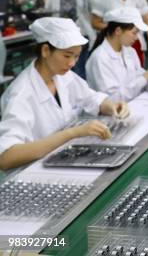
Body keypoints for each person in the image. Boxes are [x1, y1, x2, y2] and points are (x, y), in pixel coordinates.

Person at [0, 17, 129, 170]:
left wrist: (112, 106)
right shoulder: (20, 94)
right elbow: (6, 157)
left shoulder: (63, 76)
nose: (72, 63)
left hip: (62, 160)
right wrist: (73, 133)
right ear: (45, 51)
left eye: (76, 56)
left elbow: (92, 99)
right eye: (67, 56)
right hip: (33, 171)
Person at [86, 7, 148, 101]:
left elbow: (142, 80)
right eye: (134, 33)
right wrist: (144, 78)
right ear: (118, 31)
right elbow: (111, 99)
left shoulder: (129, 51)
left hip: (134, 105)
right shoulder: (100, 58)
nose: (136, 38)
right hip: (113, 114)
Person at [45, 0, 98, 79]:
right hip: (60, 36)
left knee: (79, 70)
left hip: (81, 35)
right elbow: (48, 10)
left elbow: (96, 9)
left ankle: (81, 97)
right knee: (62, 71)